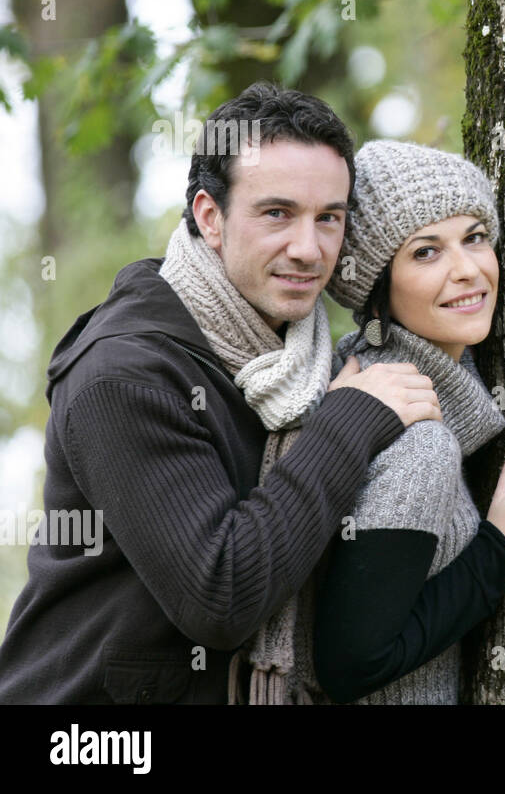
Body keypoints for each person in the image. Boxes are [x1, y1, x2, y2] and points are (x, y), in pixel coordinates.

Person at [0, 83, 439, 704]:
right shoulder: (123, 375)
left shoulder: (300, 363)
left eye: (329, 219)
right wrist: (347, 424)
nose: (308, 249)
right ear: (210, 216)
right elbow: (221, 594)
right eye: (277, 213)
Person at [304, 140, 505, 704]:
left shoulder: (392, 379)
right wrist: (500, 550)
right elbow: (349, 663)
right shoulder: (416, 438)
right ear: (377, 290)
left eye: (474, 237)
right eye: (425, 252)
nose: (467, 270)